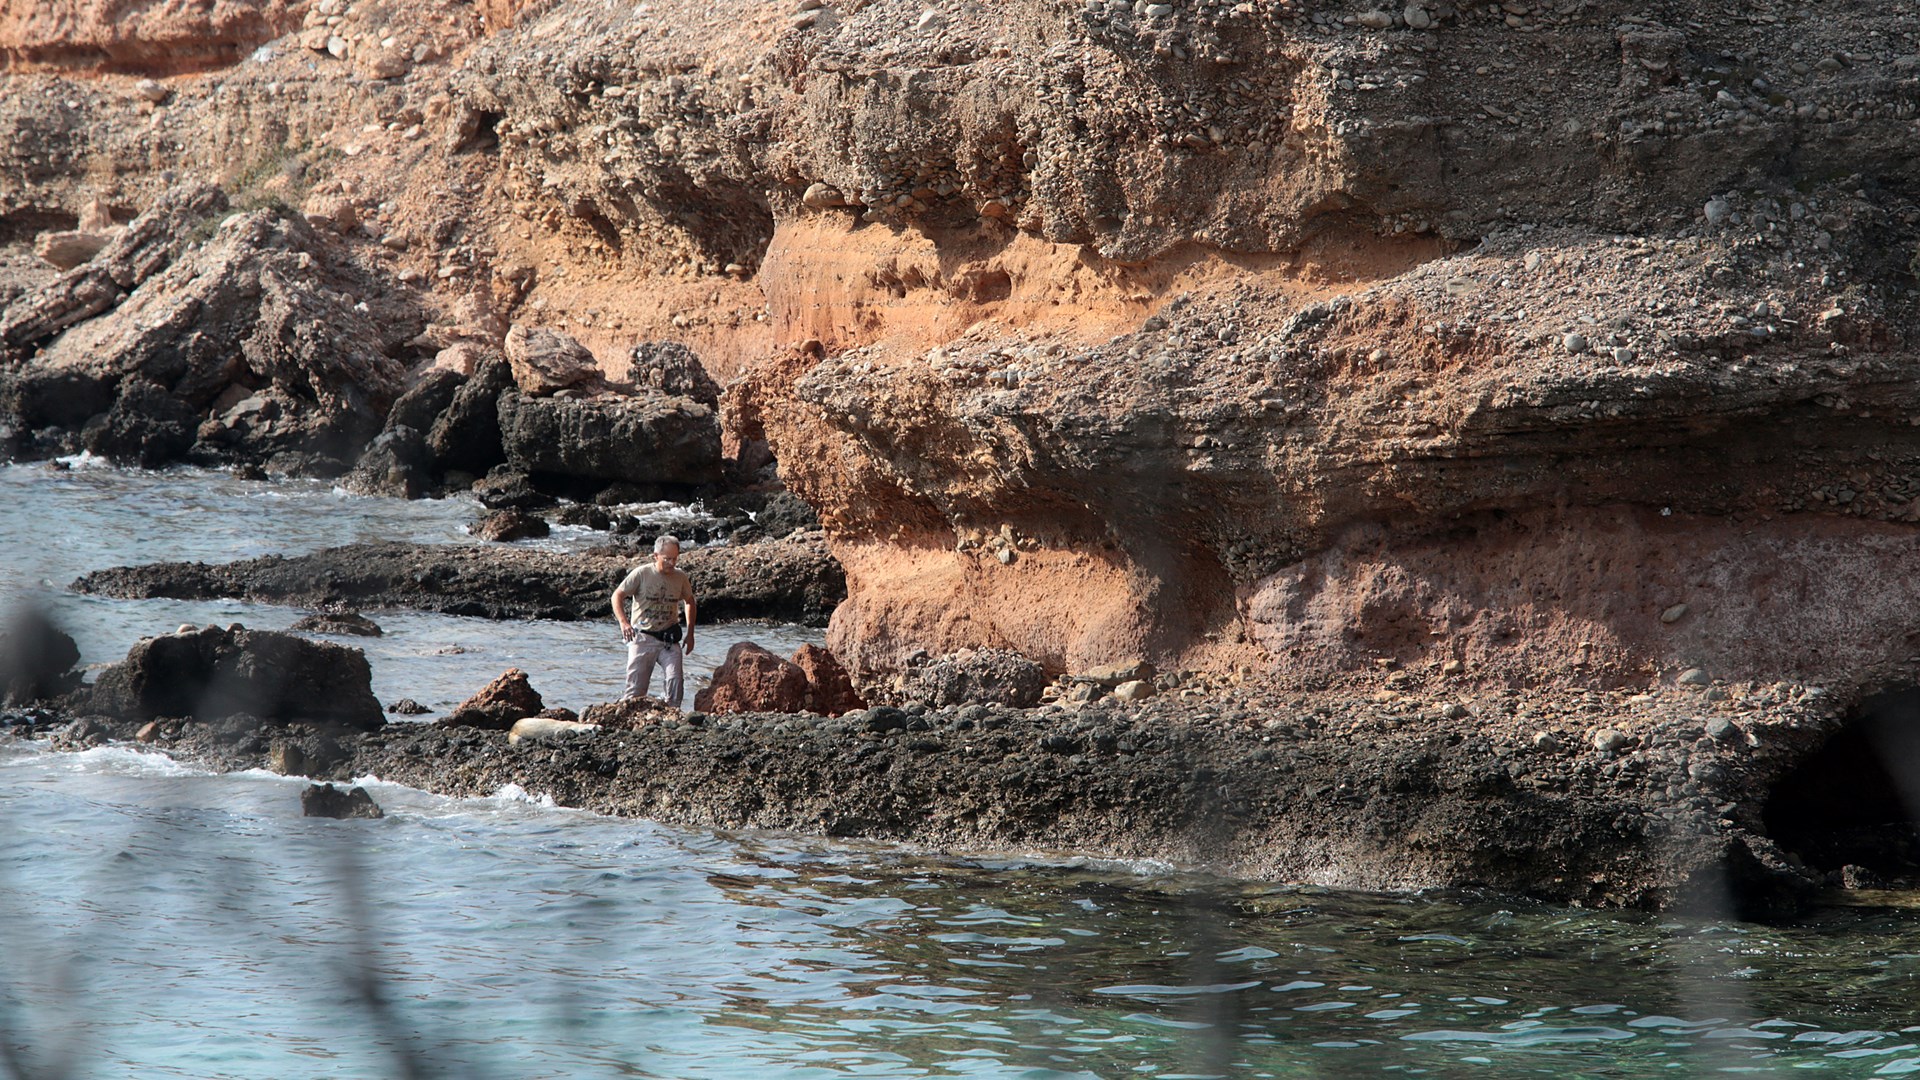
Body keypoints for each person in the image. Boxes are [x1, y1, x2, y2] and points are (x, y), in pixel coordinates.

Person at [611, 534, 697, 706]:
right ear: (655, 556)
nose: (671, 563)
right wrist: (624, 623)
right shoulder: (642, 573)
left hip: (669, 638)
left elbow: (689, 601)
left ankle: (673, 713)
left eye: (675, 559)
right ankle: (630, 715)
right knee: (636, 692)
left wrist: (690, 633)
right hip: (643, 637)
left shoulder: (680, 577)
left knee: (675, 682)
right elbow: (617, 595)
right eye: (667, 559)